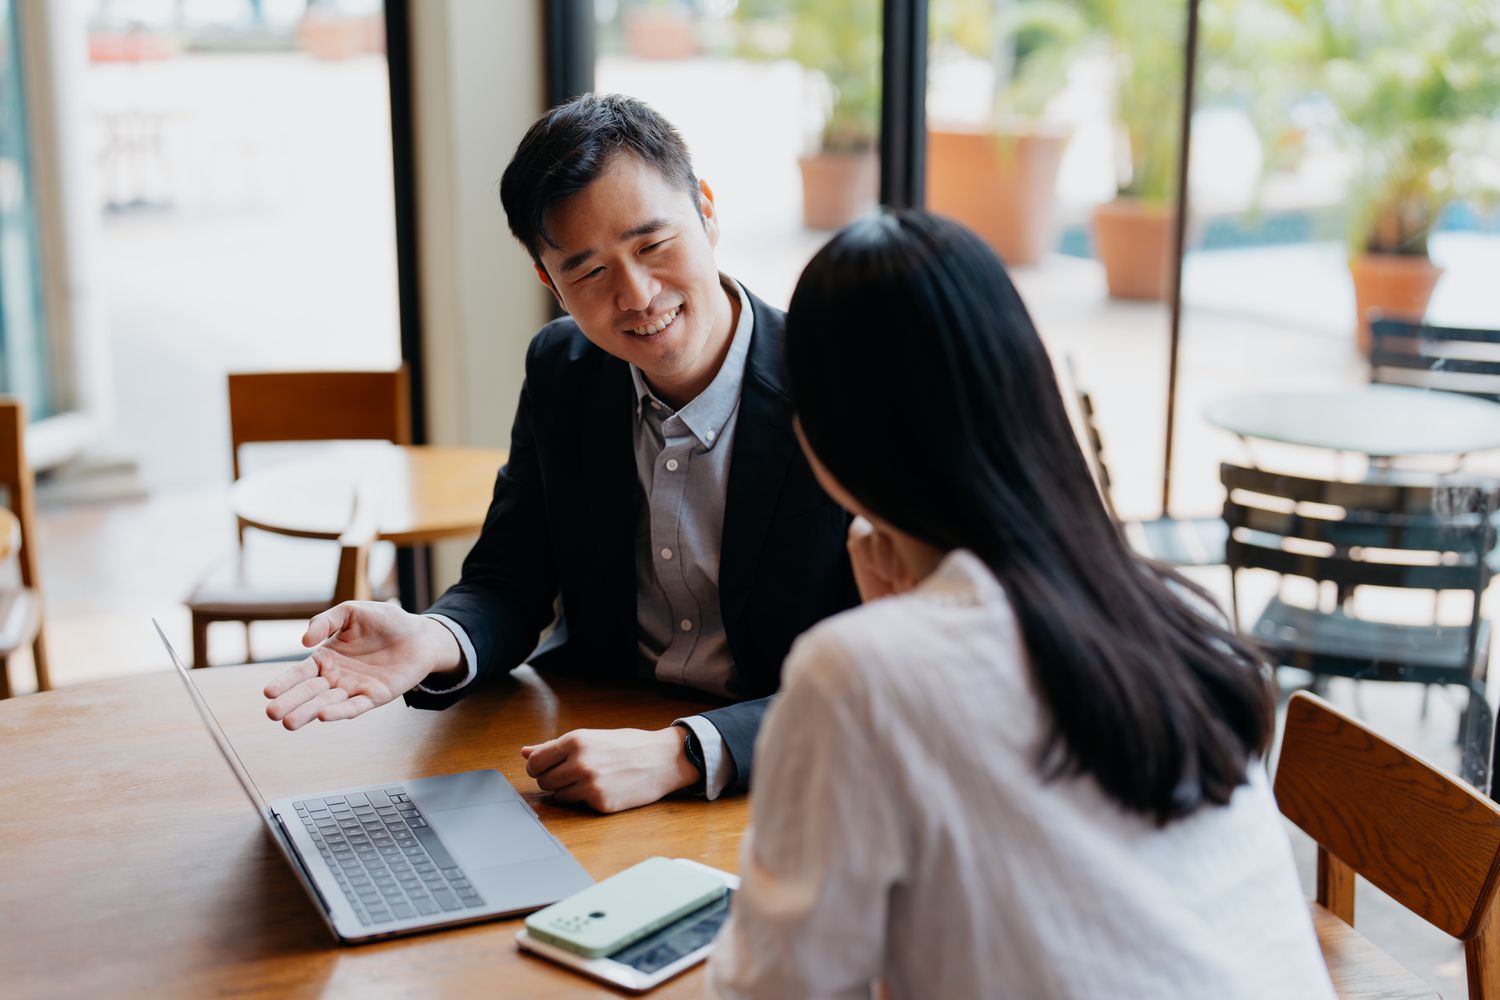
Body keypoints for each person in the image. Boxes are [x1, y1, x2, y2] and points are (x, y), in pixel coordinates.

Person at [707, 211, 1336, 999]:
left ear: (824, 447)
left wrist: (889, 632)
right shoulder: (1179, 616)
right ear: (1027, 388)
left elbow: (777, 990)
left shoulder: (860, 674)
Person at [262, 94, 856, 813]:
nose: (637, 295)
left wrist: (684, 750)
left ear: (705, 208)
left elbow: (895, 665)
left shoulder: (842, 384)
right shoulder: (563, 368)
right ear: (550, 284)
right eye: (589, 272)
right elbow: (510, 578)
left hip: (786, 777)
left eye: (652, 245)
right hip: (584, 746)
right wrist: (432, 637)